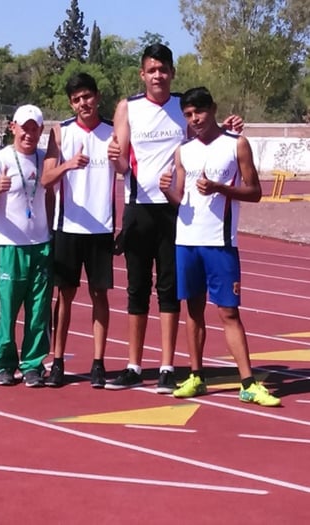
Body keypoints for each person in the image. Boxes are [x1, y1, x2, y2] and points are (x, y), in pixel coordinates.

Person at [105, 43, 243, 393]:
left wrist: (227, 125)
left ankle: (167, 366)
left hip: (175, 209)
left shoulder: (183, 108)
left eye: (163, 69)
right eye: (151, 70)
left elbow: (207, 134)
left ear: (172, 73)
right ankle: (134, 365)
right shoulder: (128, 108)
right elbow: (122, 162)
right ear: (142, 74)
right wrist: (113, 157)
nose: (158, 76)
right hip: (137, 206)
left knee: (170, 289)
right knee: (136, 288)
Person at [159, 86, 281, 407]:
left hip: (220, 243)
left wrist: (219, 189)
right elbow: (180, 198)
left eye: (199, 111)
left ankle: (248, 382)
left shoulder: (236, 144)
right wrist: (167, 191)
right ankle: (196, 376)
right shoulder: (182, 151)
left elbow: (255, 191)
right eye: (188, 114)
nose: (195, 119)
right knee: (193, 311)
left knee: (228, 312)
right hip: (186, 242)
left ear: (212, 109)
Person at [41, 72, 116, 388]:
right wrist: (67, 165)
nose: (83, 103)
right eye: (76, 99)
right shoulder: (60, 133)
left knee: (100, 294)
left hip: (101, 227)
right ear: (71, 103)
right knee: (65, 295)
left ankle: (98, 363)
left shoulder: (114, 133)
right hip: (68, 227)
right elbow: (46, 179)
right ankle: (57, 361)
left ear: (97, 96)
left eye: (87, 96)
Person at [0, 104, 53, 387]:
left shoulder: (45, 159)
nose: (29, 134)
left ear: (40, 131)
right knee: (6, 310)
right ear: (14, 128)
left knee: (38, 311)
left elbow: (49, 197)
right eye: (24, 128)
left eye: (34, 128)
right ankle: (4, 364)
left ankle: (33, 364)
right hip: (8, 248)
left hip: (41, 246)